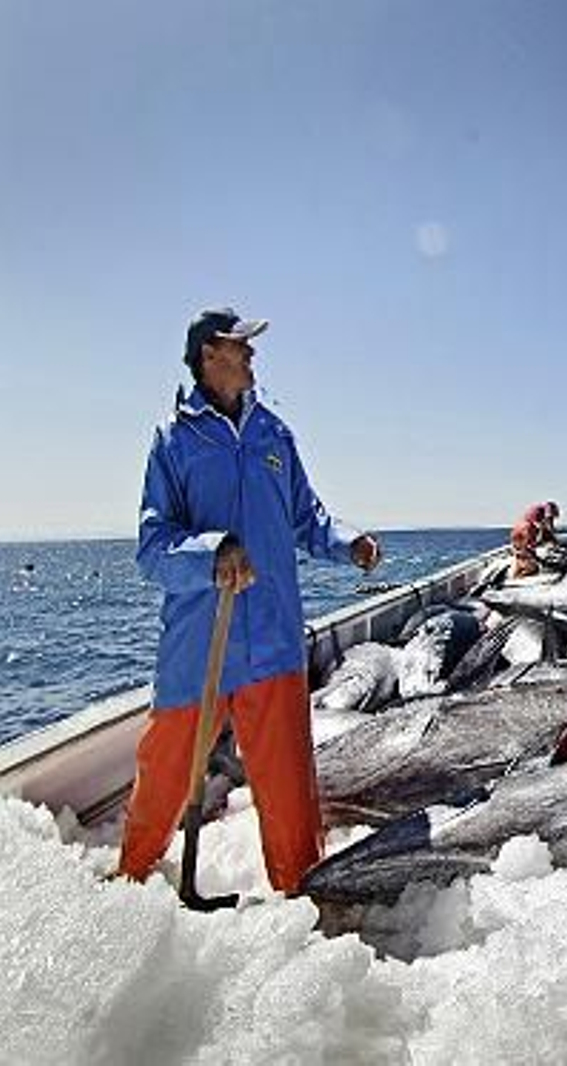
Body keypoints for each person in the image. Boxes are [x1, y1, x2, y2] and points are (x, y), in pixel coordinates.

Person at [118, 307, 380, 894]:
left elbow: (307, 519)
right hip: (198, 649)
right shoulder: (174, 441)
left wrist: (347, 542)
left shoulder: (273, 435)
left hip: (274, 642)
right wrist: (212, 554)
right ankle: (130, 885)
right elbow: (151, 548)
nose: (253, 356)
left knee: (289, 791)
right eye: (242, 347)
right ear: (209, 355)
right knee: (164, 780)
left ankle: (302, 897)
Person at [510, 501, 559, 578]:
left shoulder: (537, 513)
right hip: (524, 531)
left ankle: (516, 576)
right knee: (533, 568)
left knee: (521, 558)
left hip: (518, 531)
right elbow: (548, 525)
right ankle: (519, 577)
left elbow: (546, 527)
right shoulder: (547, 508)